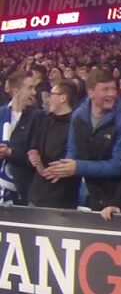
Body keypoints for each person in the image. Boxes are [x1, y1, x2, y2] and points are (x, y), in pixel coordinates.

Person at [47, 69, 121, 212]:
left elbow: (119, 165)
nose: (112, 94)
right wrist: (63, 168)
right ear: (91, 93)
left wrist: (78, 167)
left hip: (115, 196)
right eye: (105, 89)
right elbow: (73, 150)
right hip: (89, 192)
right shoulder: (78, 116)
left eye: (113, 89)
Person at [26, 81, 79, 209]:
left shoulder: (76, 125)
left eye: (52, 94)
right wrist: (34, 156)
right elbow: (34, 146)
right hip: (36, 193)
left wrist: (47, 168)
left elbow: (67, 162)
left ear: (63, 98)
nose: (48, 99)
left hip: (60, 198)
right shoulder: (45, 120)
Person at [0, 72, 40, 204]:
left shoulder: (38, 118)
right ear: (16, 91)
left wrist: (10, 153)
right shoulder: (1, 113)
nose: (34, 92)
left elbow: (35, 158)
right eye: (30, 88)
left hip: (23, 190)